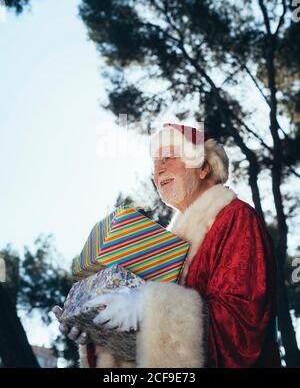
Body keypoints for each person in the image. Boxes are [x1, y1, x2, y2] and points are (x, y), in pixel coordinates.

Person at [53, 123, 281, 368]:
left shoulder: (236, 218)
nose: (158, 170)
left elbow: (243, 329)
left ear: (203, 166)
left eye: (168, 157)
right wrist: (100, 336)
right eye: (155, 163)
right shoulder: (169, 248)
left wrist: (148, 308)